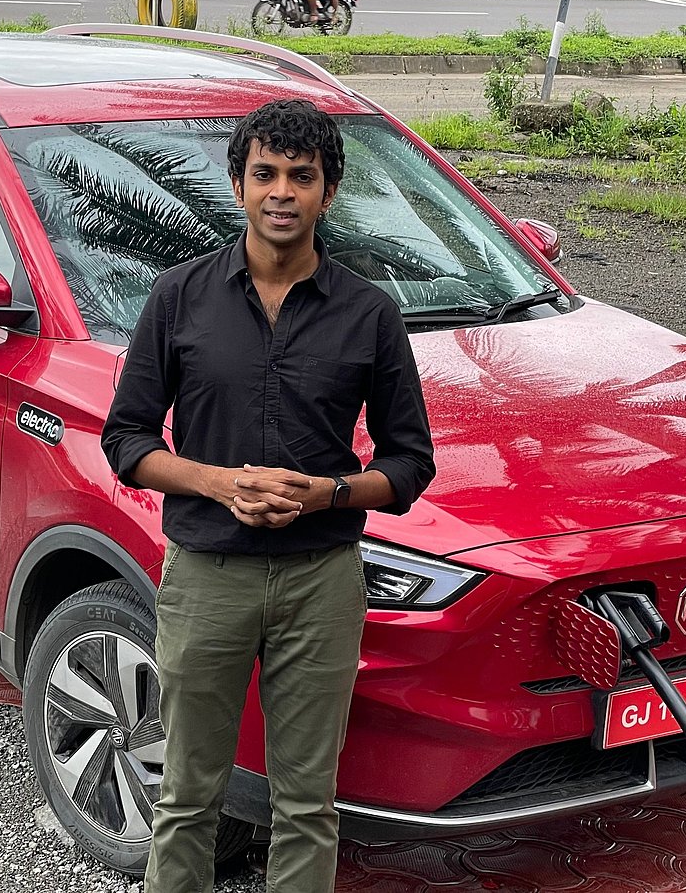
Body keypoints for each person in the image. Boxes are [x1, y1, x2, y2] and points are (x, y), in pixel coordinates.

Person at [101, 98, 435, 893]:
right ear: (238, 185)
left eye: (301, 176)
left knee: (308, 804)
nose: (282, 192)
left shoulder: (369, 313)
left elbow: (410, 464)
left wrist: (328, 493)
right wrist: (218, 483)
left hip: (321, 580)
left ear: (329, 191)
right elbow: (127, 441)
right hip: (206, 576)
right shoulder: (179, 298)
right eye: (265, 174)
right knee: (187, 796)